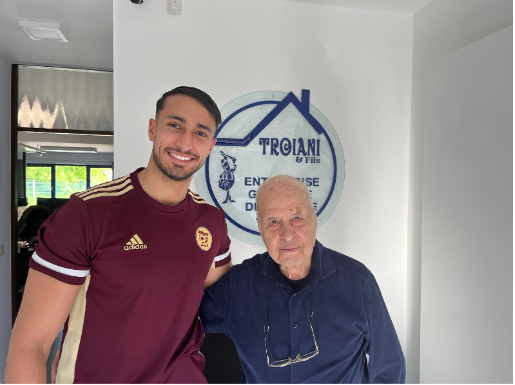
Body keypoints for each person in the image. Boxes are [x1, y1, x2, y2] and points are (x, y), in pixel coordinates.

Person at [5, 86, 232, 383]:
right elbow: (30, 345)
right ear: (153, 129)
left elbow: (223, 298)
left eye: (201, 133)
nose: (185, 142)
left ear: (211, 145)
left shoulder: (211, 221)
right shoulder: (87, 214)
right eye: (174, 125)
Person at [200, 175, 405, 383]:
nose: (287, 234)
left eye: (297, 218)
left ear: (314, 219)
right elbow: (183, 325)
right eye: (273, 221)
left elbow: (388, 367)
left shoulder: (357, 282)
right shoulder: (238, 286)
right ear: (260, 228)